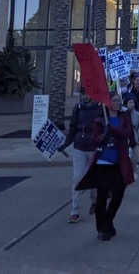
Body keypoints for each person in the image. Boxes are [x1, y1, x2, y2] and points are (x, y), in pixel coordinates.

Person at [75, 92, 135, 241]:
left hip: (118, 163)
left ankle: (108, 220)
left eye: (118, 100)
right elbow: (95, 141)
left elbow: (127, 133)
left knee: (119, 193)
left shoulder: (124, 118)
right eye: (114, 100)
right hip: (102, 163)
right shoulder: (100, 120)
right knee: (102, 197)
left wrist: (113, 130)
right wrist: (104, 135)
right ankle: (102, 228)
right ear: (108, 103)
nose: (117, 102)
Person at [61, 88, 104, 223]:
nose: (85, 96)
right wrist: (65, 144)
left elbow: (105, 128)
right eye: (83, 93)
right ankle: (75, 210)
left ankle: (94, 201)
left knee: (94, 179)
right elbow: (73, 128)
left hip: (94, 148)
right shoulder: (77, 108)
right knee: (77, 178)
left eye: (87, 93)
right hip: (79, 147)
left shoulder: (100, 109)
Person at [126, 96, 139, 166]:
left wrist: (138, 135)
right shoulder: (123, 114)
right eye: (130, 103)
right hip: (125, 138)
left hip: (134, 138)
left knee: (134, 158)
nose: (132, 104)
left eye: (133, 103)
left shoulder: (137, 114)